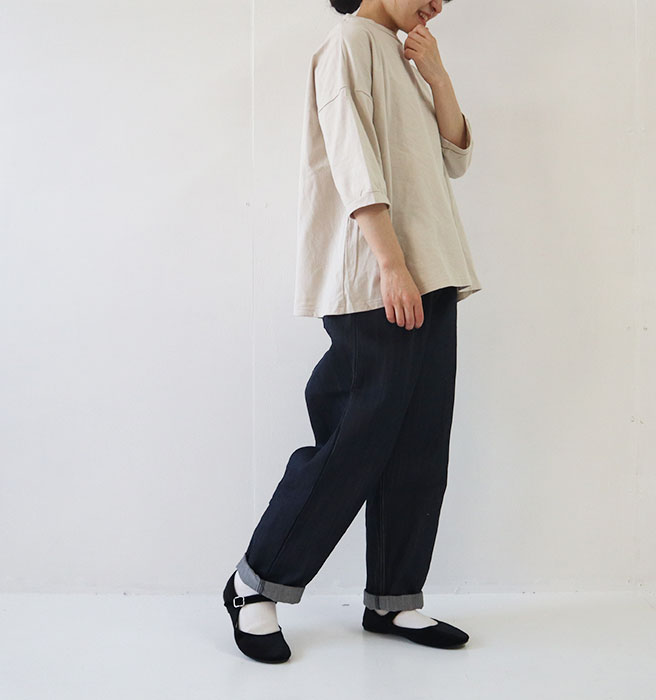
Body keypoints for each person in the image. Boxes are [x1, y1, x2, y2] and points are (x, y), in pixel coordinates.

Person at [223, 0, 482, 663]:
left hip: (432, 271)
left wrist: (438, 76)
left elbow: (454, 157)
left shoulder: (400, 55)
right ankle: (256, 582)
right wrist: (390, 264)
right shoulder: (348, 42)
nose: (439, 4)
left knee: (419, 443)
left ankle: (394, 598)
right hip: (378, 276)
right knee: (353, 439)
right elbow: (350, 160)